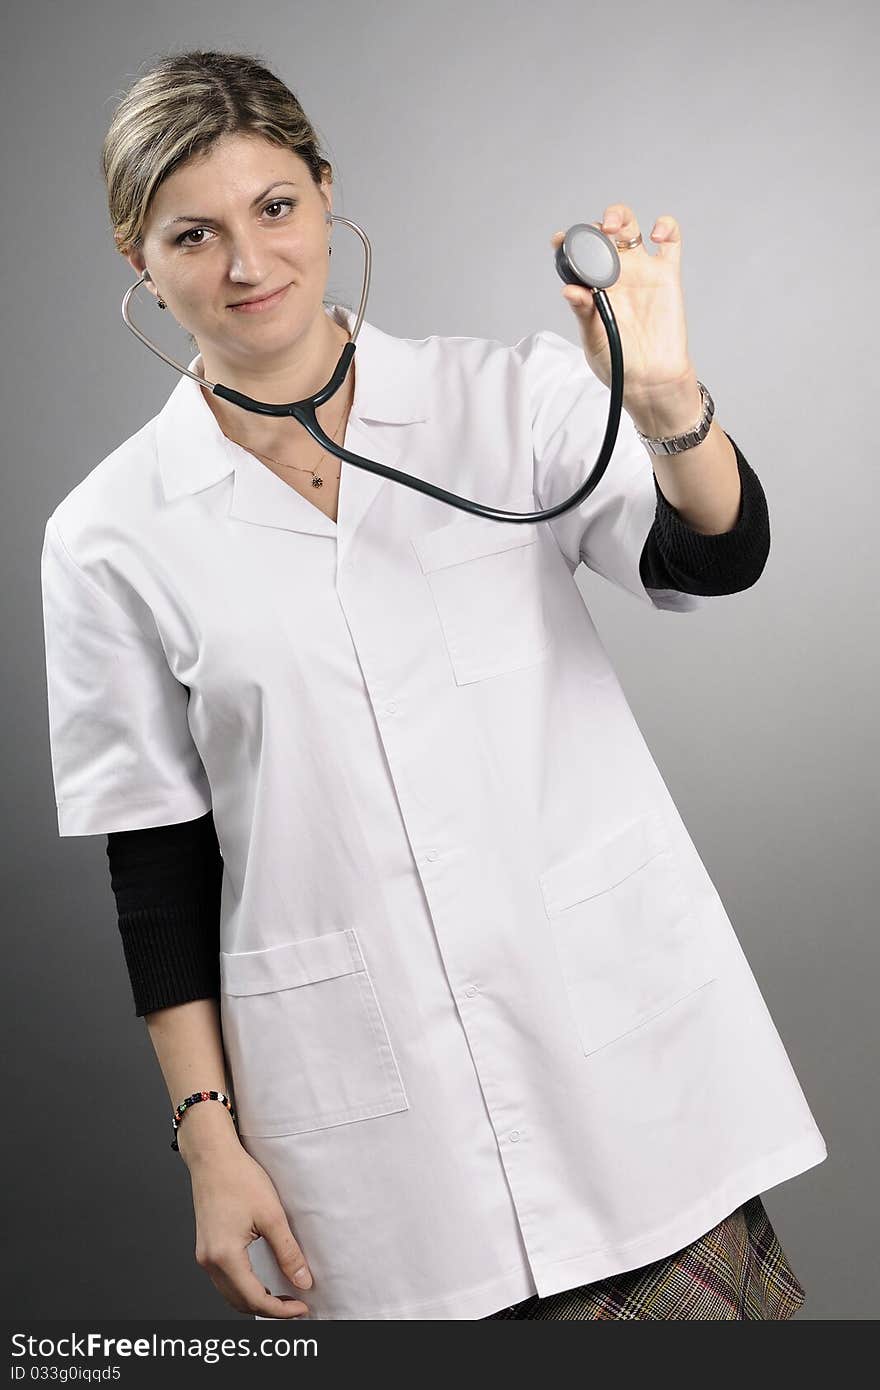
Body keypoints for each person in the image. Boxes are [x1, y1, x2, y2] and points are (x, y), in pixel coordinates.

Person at [40, 49, 826, 1321]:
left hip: (625, 1076)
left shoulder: (500, 397)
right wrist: (206, 1137)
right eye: (196, 233)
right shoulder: (109, 533)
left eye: (276, 209)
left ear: (327, 195)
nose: (249, 264)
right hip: (381, 1148)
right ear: (139, 258)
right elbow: (157, 858)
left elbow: (712, 552)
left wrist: (673, 406)